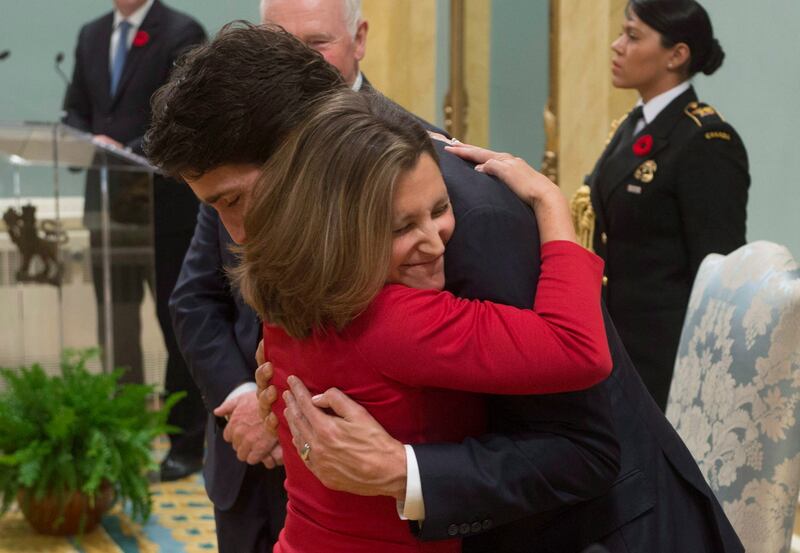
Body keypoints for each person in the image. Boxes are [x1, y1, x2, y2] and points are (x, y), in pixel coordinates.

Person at [149, 23, 740, 553]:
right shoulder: (332, 221)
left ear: (303, 152)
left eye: (232, 200)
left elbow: (584, 452)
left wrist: (402, 470)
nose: (237, 233)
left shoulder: (464, 221)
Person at [231, 89, 611, 553]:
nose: (434, 242)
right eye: (400, 228)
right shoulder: (394, 321)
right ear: (339, 230)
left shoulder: (287, 295)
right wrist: (550, 202)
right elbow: (577, 349)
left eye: (439, 210)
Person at [158, 3, 369, 547]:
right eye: (279, 42)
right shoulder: (230, 149)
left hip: (351, 480)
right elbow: (196, 298)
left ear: (359, 39)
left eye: (316, 43)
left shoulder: (399, 153)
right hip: (244, 455)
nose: (294, 63)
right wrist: (244, 401)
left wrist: (286, 415)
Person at [62, 0, 207, 481]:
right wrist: (86, 140)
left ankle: (186, 442)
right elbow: (76, 111)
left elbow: (186, 114)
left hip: (163, 210)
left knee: (177, 326)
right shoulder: (90, 35)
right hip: (108, 211)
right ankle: (123, 435)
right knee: (116, 328)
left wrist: (124, 151)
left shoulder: (182, 31)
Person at [584, 0, 750, 409]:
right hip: (618, 347)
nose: (616, 45)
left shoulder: (706, 140)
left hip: (666, 359)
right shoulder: (634, 125)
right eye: (622, 32)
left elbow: (717, 276)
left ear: (677, 55)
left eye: (633, 36)